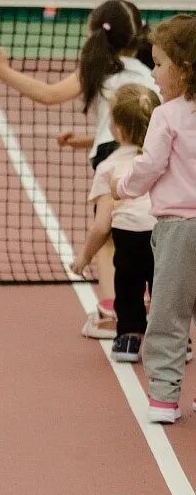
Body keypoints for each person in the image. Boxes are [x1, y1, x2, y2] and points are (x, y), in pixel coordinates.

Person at [0, 0, 158, 338]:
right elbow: (138, 129)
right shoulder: (150, 75)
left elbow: (48, 95)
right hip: (148, 156)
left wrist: (1, 71)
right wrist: (87, 138)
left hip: (112, 159)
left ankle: (110, 313)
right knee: (144, 232)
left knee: (107, 237)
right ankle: (143, 301)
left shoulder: (99, 69)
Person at [112, 15, 196, 424]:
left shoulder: (165, 116)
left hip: (178, 231)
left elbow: (149, 165)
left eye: (160, 63)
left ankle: (164, 398)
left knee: (168, 313)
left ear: (184, 68)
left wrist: (124, 186)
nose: (155, 71)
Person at [75, 83, 158, 363]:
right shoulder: (165, 158)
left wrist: (84, 258)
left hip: (130, 238)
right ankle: (177, 342)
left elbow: (101, 226)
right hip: (166, 232)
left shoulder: (108, 166)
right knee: (165, 289)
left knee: (128, 288)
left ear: (118, 131)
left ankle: (129, 339)